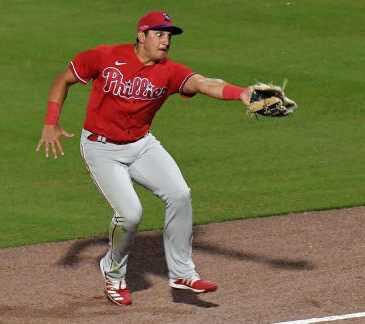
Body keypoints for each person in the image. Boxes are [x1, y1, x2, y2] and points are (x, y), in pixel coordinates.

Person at [36, 11, 252, 306]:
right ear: (141, 35)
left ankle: (181, 273)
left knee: (180, 194)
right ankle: (113, 274)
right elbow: (63, 80)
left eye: (169, 36)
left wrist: (241, 93)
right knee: (131, 214)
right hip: (101, 148)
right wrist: (51, 122)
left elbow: (204, 83)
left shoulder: (170, 71)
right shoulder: (104, 56)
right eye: (159, 34)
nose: (166, 41)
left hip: (141, 145)